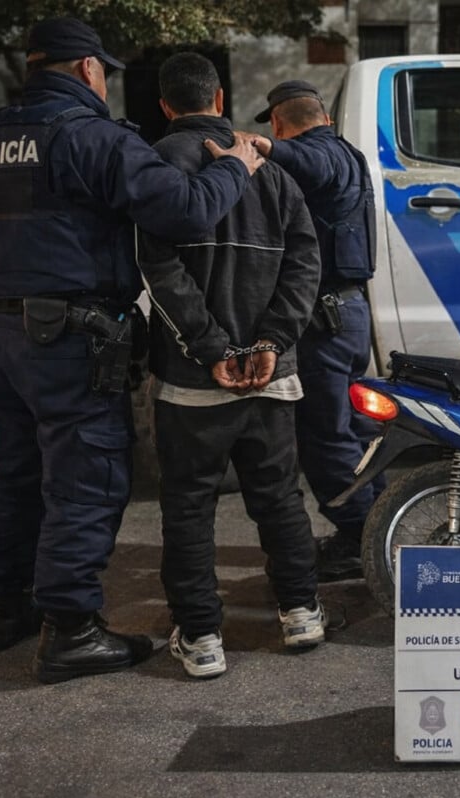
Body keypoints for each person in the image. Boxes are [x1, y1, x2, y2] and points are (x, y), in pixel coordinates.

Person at [0, 18, 264, 684]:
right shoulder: (92, 138)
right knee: (86, 481)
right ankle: (70, 632)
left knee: (15, 474)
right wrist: (235, 167)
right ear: (89, 70)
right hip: (69, 338)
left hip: (2, 336)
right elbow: (181, 211)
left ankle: (6, 610)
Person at [135, 53, 325, 677]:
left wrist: (213, 348)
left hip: (194, 382)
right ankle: (301, 612)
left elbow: (157, 269)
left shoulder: (160, 165)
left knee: (189, 507)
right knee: (278, 499)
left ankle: (202, 637)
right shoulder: (270, 169)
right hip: (275, 375)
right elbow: (305, 263)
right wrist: (271, 341)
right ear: (219, 98)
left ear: (166, 106)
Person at [244, 80, 383, 581]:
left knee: (326, 437)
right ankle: (373, 528)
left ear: (279, 121)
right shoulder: (349, 152)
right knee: (355, 430)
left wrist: (264, 149)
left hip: (326, 320)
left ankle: (360, 537)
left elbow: (312, 166)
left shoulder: (321, 154)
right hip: (346, 313)